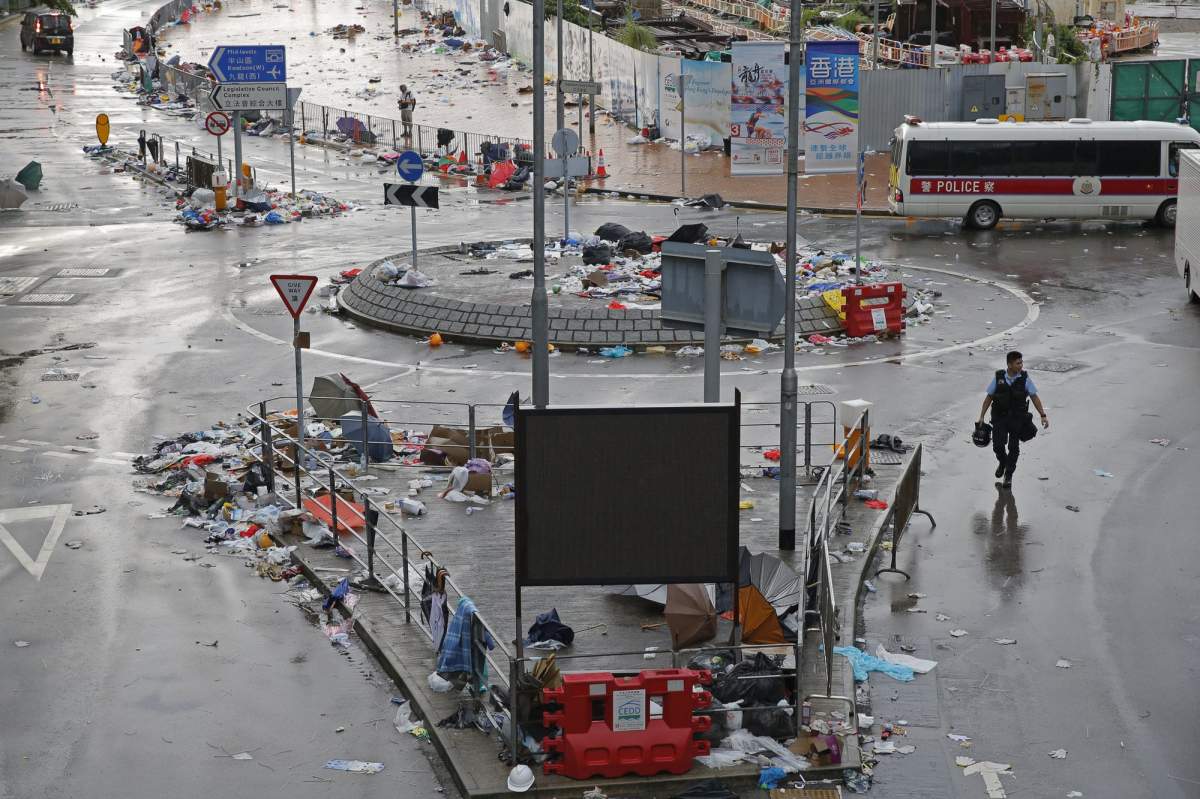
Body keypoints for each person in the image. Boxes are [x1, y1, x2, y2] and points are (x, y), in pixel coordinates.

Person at [977, 350, 1048, 487]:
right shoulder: (999, 378)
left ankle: (1008, 475)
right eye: (1018, 363)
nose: (1021, 365)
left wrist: (1043, 415)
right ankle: (1003, 462)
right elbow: (988, 398)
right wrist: (981, 416)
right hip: (999, 418)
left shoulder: (1025, 379)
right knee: (998, 445)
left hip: (1017, 419)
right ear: (1009, 365)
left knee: (1014, 448)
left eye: (1021, 362)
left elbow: (1034, 397)